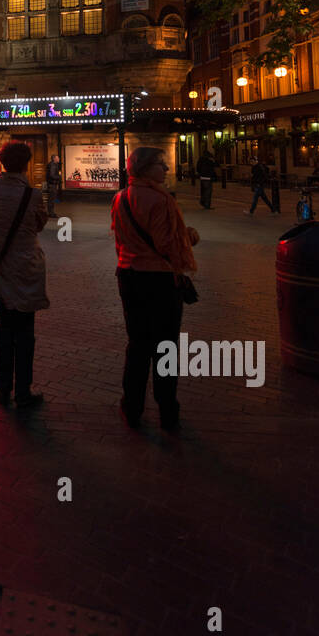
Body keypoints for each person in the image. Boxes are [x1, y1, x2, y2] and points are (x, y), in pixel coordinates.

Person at [111, 147, 200, 431]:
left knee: (137, 343)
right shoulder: (161, 200)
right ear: (147, 168)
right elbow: (165, 244)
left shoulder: (120, 197)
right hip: (159, 278)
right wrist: (188, 238)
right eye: (161, 165)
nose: (166, 170)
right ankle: (167, 408)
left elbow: (120, 237)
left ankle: (132, 405)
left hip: (128, 273)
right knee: (165, 344)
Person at [0, 140, 49, 409]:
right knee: (25, 331)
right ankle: (23, 389)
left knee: (4, 327)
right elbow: (40, 223)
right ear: (25, 164)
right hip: (25, 267)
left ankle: (2, 386)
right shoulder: (32, 195)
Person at [45, 154, 61, 218]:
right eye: (58, 158)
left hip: (52, 184)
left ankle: (51, 212)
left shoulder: (54, 164)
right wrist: (59, 177)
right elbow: (52, 175)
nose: (59, 159)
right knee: (51, 199)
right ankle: (51, 213)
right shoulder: (52, 165)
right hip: (52, 184)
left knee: (51, 199)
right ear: (54, 158)